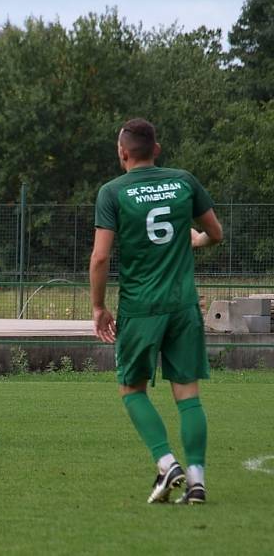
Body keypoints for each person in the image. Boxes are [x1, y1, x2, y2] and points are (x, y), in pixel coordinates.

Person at [89, 118, 223, 504]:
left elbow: (100, 258)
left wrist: (98, 307)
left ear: (122, 153)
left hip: (140, 306)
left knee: (132, 388)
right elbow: (215, 233)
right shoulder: (183, 180)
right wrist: (193, 242)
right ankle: (197, 480)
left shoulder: (113, 192)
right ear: (157, 150)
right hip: (182, 305)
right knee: (188, 395)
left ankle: (167, 462)